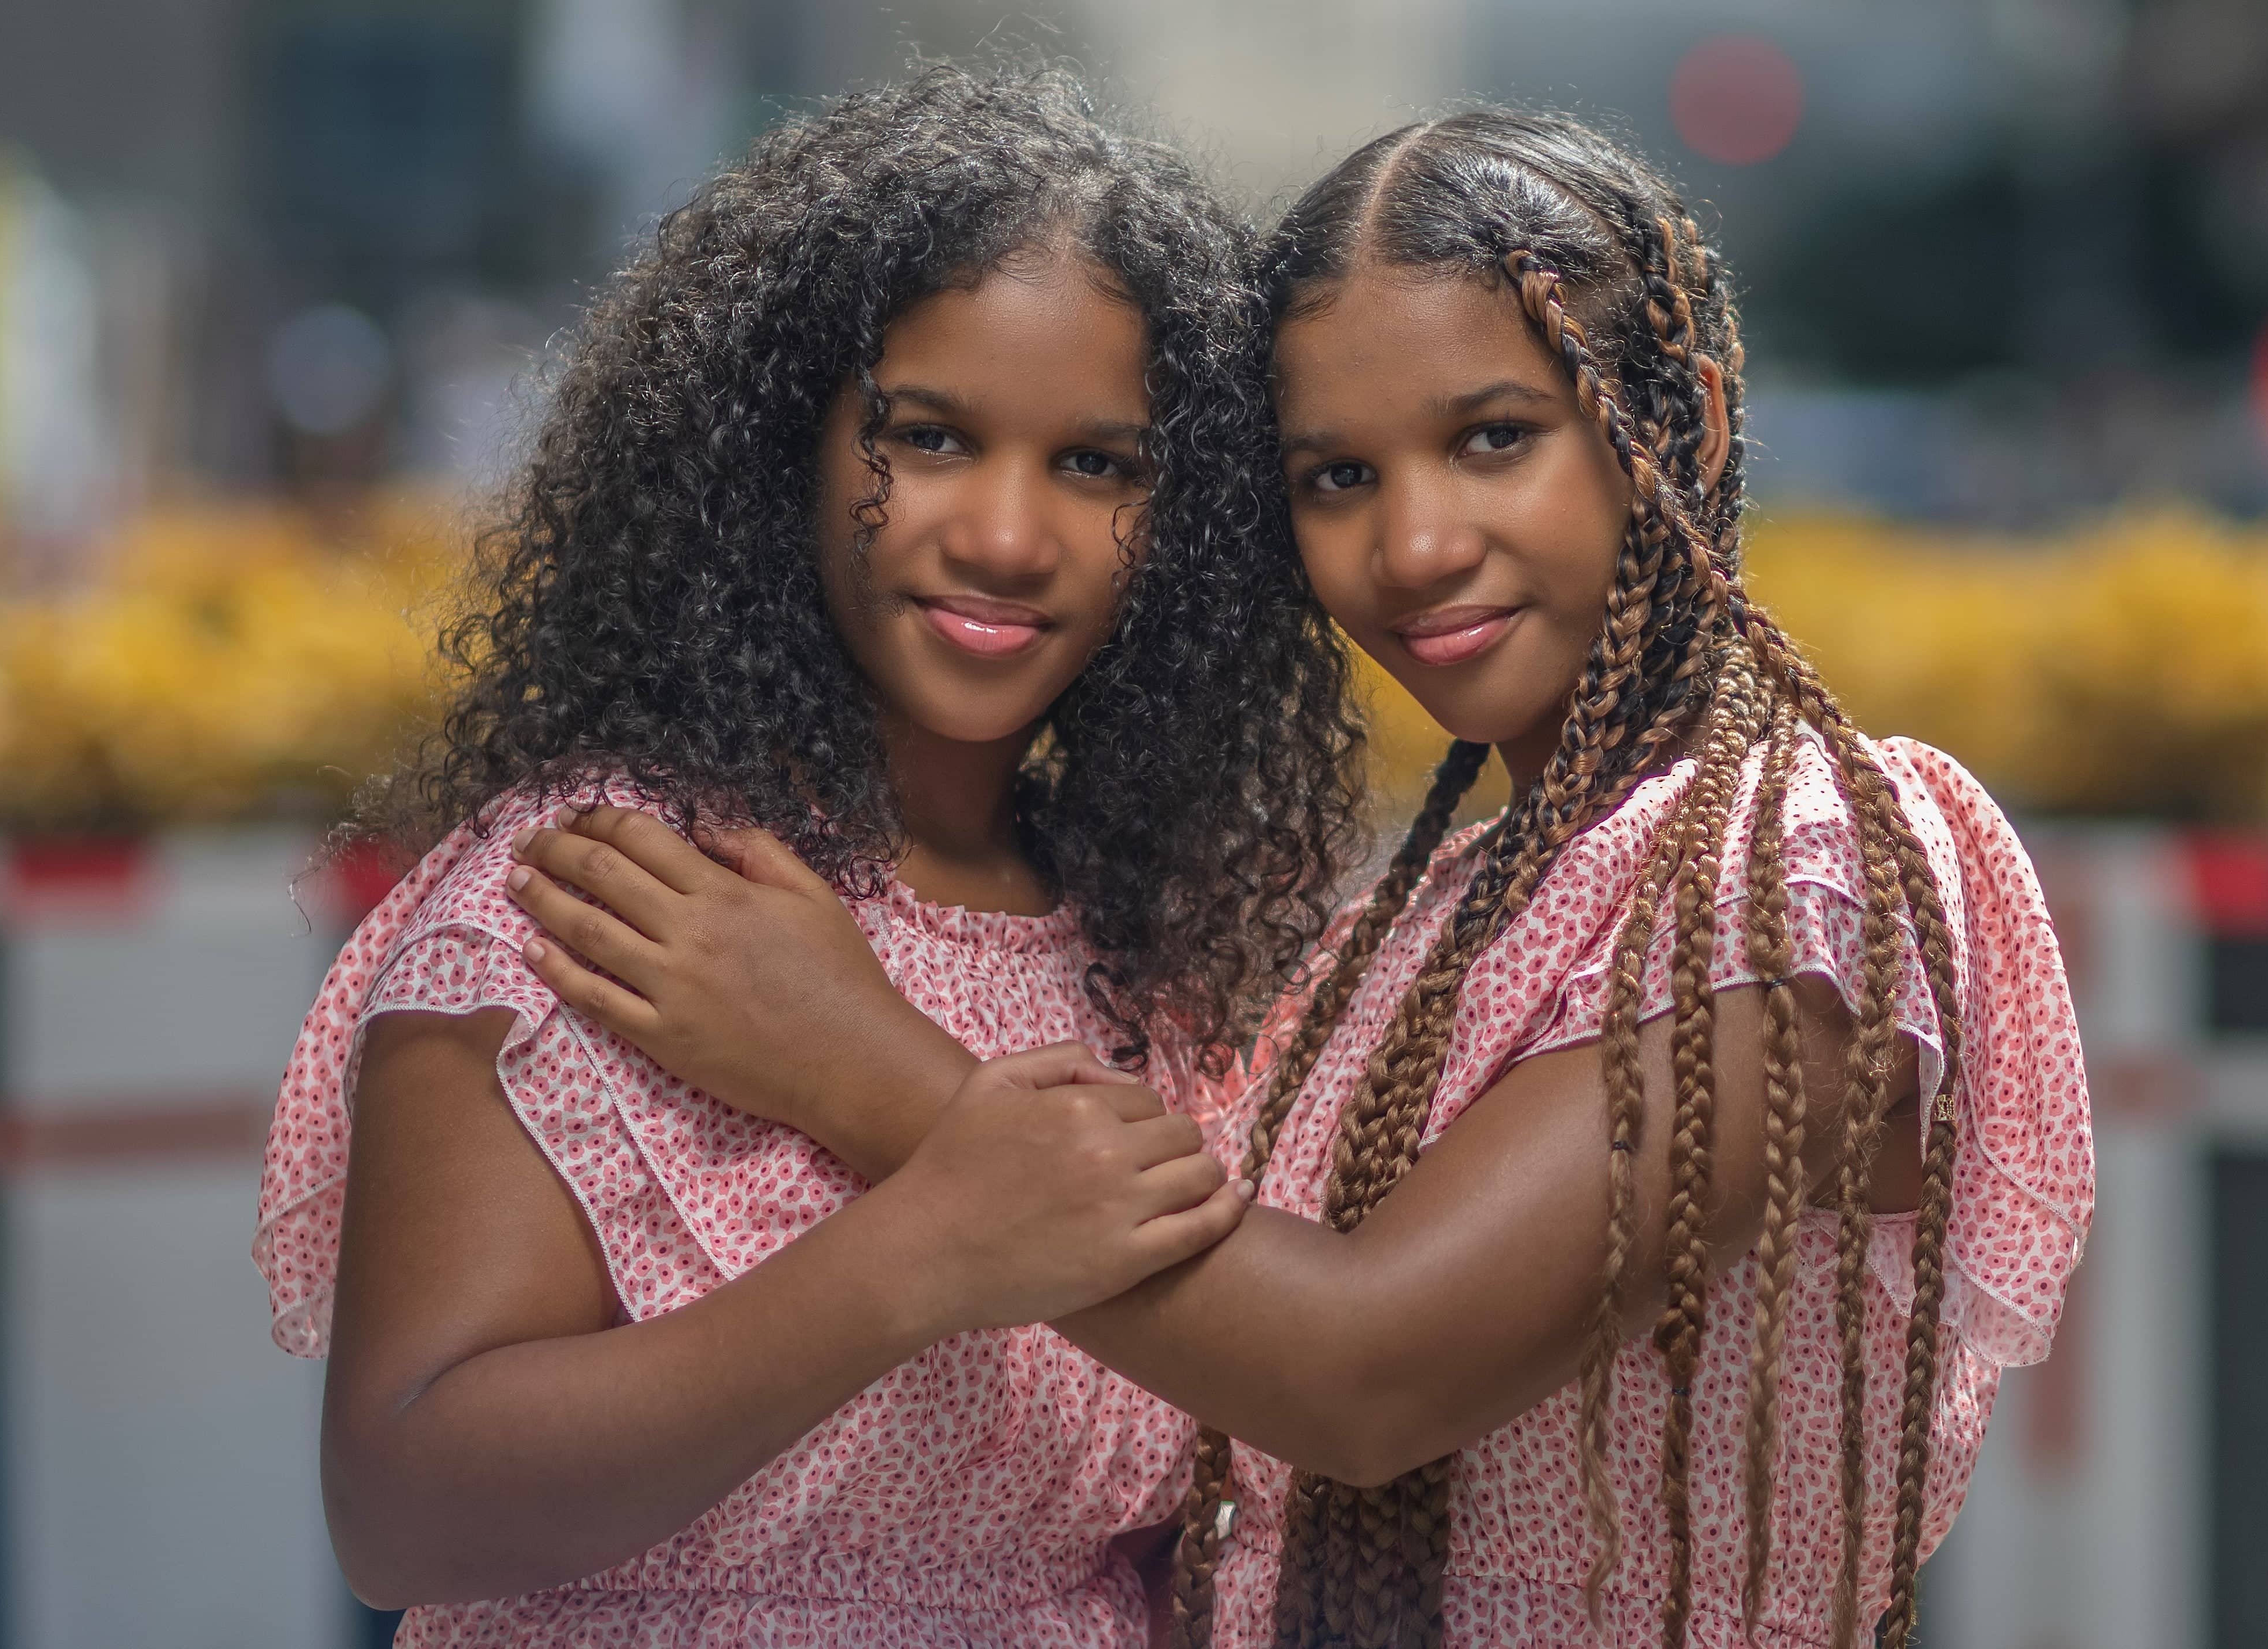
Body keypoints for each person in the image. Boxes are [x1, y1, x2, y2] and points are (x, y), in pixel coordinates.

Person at [509, 110, 2094, 1649]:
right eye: (1336, 477)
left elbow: (1361, 1374)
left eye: (1491, 439)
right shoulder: (1439, 905)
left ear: (1679, 419)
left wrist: (847, 1058)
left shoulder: (1800, 868)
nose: (1411, 546)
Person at [252, 65, 1367, 1647]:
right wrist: (910, 1259)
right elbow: (405, 1508)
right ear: (777, 443)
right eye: (926, 437)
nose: (1002, 532)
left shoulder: (1157, 943)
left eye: (1096, 464)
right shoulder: (613, 889)